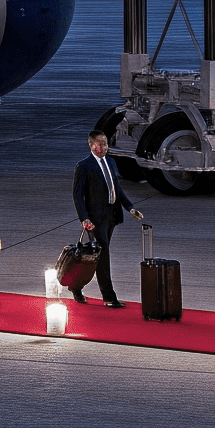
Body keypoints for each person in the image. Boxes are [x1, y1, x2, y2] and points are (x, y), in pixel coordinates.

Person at [72, 129, 146, 307]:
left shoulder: (111, 162)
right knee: (103, 255)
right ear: (91, 145)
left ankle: (76, 286)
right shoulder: (84, 166)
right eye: (101, 143)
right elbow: (78, 195)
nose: (105, 147)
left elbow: (117, 189)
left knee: (95, 256)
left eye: (106, 143)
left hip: (111, 215)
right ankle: (109, 297)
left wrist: (130, 208)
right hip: (95, 220)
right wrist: (84, 218)